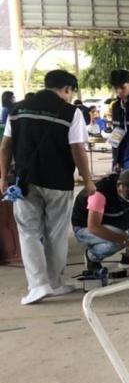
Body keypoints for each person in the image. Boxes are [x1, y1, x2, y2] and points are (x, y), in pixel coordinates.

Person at [0, 70, 94, 305]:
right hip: (59, 183)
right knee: (56, 233)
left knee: (29, 232)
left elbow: (5, 147)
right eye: (71, 92)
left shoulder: (18, 110)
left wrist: (3, 177)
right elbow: (77, 149)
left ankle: (38, 285)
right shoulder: (71, 112)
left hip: (25, 182)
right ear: (67, 89)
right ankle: (53, 282)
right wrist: (88, 180)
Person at [72, 168, 129, 274]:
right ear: (121, 186)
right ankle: (92, 257)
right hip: (85, 227)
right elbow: (94, 227)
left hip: (111, 217)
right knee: (119, 240)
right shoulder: (99, 194)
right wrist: (127, 241)